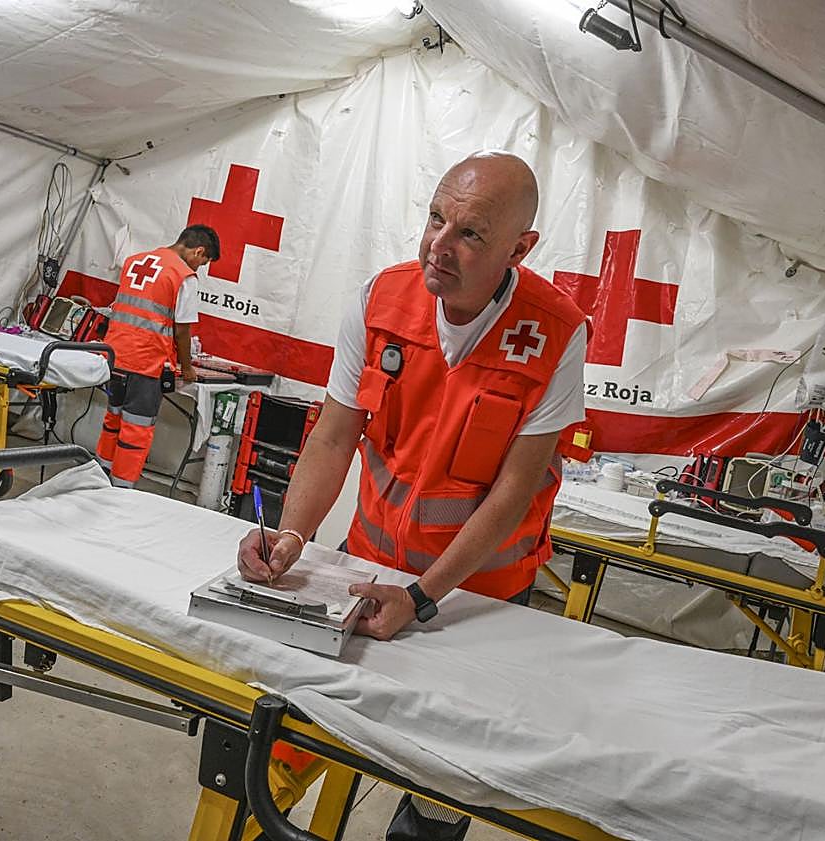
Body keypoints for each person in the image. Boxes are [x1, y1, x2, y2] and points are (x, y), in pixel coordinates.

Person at [236, 152, 587, 841]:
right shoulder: (381, 300)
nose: (438, 245)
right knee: (294, 737)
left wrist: (423, 597)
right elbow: (334, 436)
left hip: (477, 599)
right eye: (434, 219)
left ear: (520, 249)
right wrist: (292, 534)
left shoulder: (557, 332)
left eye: (470, 233)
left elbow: (514, 491)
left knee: (439, 784)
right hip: (365, 567)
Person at [96, 224, 220, 488]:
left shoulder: (135, 261)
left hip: (114, 357)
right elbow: (182, 330)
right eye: (203, 263)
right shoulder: (183, 277)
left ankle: (98, 478)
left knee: (113, 420)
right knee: (136, 429)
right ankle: (121, 490)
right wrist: (187, 367)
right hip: (146, 362)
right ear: (199, 251)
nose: (199, 268)